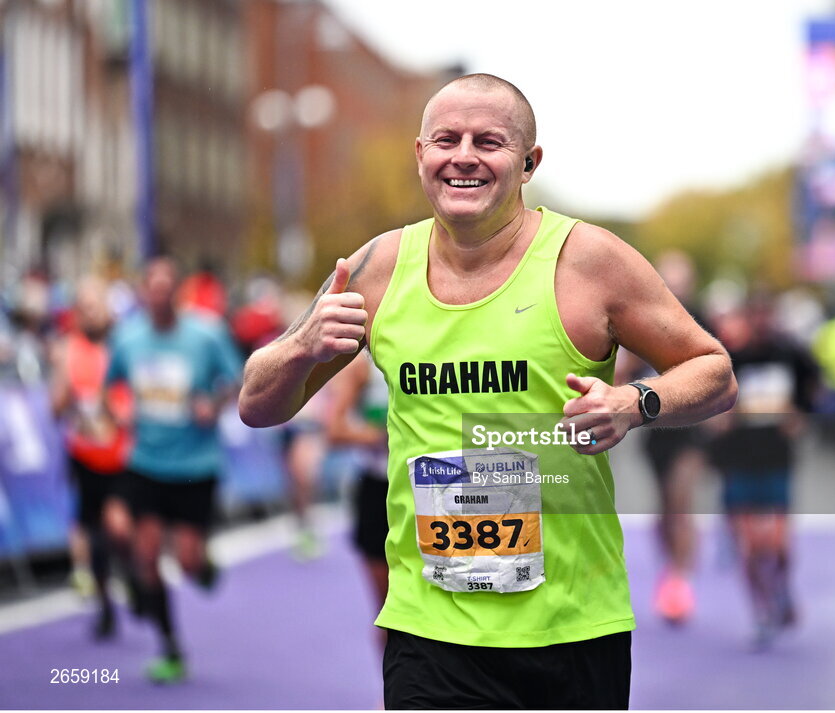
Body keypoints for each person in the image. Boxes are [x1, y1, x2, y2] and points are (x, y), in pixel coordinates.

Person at [239, 73, 736, 709]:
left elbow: (714, 370)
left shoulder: (588, 262)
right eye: (446, 139)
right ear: (421, 156)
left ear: (529, 163)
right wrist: (300, 345)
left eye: (489, 141)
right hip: (429, 627)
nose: (464, 156)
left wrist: (634, 404)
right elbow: (257, 405)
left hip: (569, 626)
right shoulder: (377, 268)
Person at [105, 255, 241, 683]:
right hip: (146, 461)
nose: (159, 296)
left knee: (184, 562)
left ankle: (201, 565)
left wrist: (213, 404)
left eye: (167, 289)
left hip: (195, 466)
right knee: (144, 553)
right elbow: (110, 389)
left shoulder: (206, 334)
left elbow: (240, 380)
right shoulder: (127, 338)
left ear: (177, 293)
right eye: (152, 288)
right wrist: (117, 413)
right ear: (144, 292)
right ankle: (170, 646)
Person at [707, 295, 818, 650]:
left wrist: (801, 414)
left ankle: (782, 590)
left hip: (776, 458)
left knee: (779, 547)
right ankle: (762, 610)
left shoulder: (789, 353)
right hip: (739, 460)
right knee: (752, 548)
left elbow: (815, 384)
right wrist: (716, 420)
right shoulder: (728, 360)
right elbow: (704, 396)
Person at [616, 250, 707, 624]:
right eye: (669, 281)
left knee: (679, 502)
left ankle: (679, 581)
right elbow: (626, 369)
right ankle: (670, 567)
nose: (676, 289)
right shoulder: (646, 319)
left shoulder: (703, 319)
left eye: (681, 282)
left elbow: (722, 368)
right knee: (663, 512)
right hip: (657, 432)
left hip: (693, 431)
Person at [50, 276, 134, 639]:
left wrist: (119, 414)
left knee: (120, 529)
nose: (89, 314)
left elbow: (137, 397)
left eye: (95, 306)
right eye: (82, 308)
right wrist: (67, 394)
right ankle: (105, 608)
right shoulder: (66, 351)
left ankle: (134, 579)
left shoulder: (126, 345)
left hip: (124, 457)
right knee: (95, 534)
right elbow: (55, 410)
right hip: (85, 456)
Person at [323, 352, 390, 640]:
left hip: (433, 487)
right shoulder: (365, 367)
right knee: (389, 612)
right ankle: (389, 686)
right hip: (379, 491)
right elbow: (334, 432)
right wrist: (383, 437)